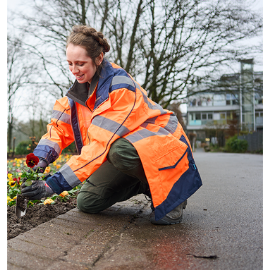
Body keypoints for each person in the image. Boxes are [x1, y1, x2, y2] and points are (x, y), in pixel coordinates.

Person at [19, 25, 202, 225]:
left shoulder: (120, 88)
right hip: (133, 156)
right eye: (70, 63)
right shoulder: (77, 95)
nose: (74, 70)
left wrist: (51, 185)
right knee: (87, 202)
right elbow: (57, 131)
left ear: (98, 58)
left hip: (165, 152)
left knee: (118, 151)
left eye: (80, 63)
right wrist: (36, 163)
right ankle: (145, 182)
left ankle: (171, 194)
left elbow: (99, 144)